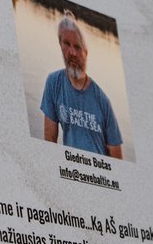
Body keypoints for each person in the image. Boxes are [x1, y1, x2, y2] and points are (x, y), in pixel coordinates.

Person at [41, 11, 123, 159]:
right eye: (66, 44)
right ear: (60, 45)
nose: (72, 52)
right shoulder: (54, 83)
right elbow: (49, 141)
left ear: (86, 52)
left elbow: (117, 157)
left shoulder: (103, 101)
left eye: (77, 47)